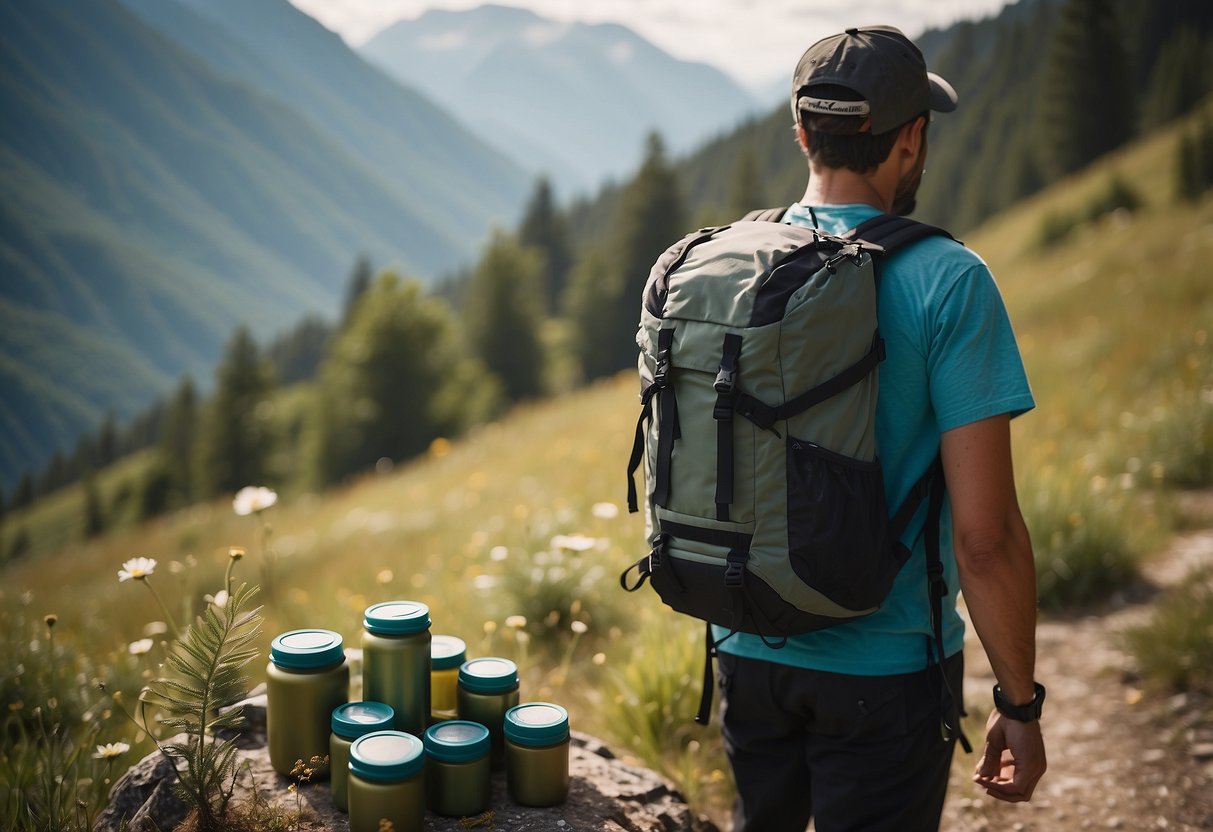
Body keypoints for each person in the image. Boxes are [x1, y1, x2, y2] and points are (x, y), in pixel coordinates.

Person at [712, 25, 1047, 831]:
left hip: (744, 648)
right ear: (911, 139)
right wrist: (1020, 703)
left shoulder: (730, 263)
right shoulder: (949, 281)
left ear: (802, 134)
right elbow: (985, 537)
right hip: (885, 668)